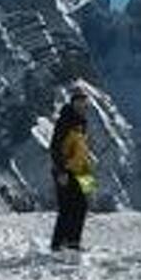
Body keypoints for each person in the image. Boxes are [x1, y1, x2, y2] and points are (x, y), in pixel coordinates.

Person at [49, 88, 94, 252]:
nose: (82, 106)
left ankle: (72, 242)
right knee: (67, 208)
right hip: (66, 171)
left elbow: (82, 152)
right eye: (79, 102)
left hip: (80, 171)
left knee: (81, 207)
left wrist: (89, 181)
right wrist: (61, 171)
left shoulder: (81, 124)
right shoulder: (65, 121)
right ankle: (58, 244)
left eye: (84, 103)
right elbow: (54, 148)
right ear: (73, 103)